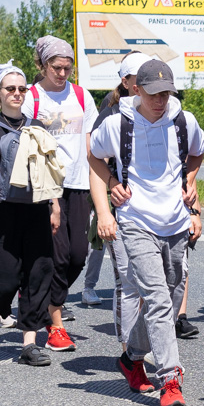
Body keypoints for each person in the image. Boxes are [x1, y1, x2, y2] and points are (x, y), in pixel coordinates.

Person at [89, 60, 204, 406]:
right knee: (156, 297)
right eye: (154, 93)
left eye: (167, 92)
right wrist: (108, 201)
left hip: (175, 223)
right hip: (135, 222)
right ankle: (170, 379)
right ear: (136, 90)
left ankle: (131, 357)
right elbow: (94, 158)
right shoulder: (116, 124)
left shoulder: (184, 121)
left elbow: (197, 152)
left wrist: (191, 184)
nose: (161, 100)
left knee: (171, 295)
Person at [0, 61, 60, 365]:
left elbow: (49, 171)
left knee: (38, 275)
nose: (16, 93)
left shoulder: (37, 127)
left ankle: (29, 343)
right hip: (2, 214)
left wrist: (55, 206)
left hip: (37, 211)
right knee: (3, 282)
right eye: (10, 88)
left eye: (21, 88)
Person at [22, 35, 99, 351]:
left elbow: (91, 145)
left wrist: (99, 189)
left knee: (79, 255)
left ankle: (38, 295)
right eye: (56, 67)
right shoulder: (31, 97)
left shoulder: (81, 96)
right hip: (45, 186)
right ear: (41, 65)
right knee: (59, 254)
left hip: (79, 184)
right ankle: (55, 325)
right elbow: (25, 144)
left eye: (68, 68)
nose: (63, 74)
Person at [82, 51, 151, 308]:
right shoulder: (111, 113)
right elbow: (94, 157)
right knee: (123, 273)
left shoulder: (165, 112)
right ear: (126, 82)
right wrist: (111, 186)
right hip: (118, 198)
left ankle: (151, 330)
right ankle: (90, 287)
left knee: (156, 275)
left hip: (150, 204)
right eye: (139, 77)